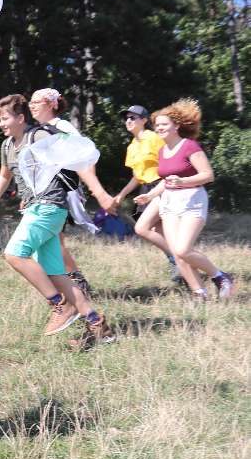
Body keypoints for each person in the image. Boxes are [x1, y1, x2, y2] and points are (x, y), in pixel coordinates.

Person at [0, 95, 115, 348]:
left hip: (49, 208)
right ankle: (98, 326)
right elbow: (4, 175)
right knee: (56, 273)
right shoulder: (7, 146)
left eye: (5, 118)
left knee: (14, 254)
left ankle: (60, 305)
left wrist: (99, 193)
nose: (1, 123)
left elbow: (79, 162)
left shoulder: (40, 137)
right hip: (35, 209)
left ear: (20, 118)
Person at [134, 100, 235, 300]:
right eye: (157, 125)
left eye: (164, 124)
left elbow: (208, 175)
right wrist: (150, 195)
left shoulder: (189, 146)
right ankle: (199, 293)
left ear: (176, 126)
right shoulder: (163, 151)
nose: (159, 128)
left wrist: (183, 180)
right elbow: (165, 180)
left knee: (183, 249)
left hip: (192, 200)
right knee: (177, 253)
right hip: (170, 202)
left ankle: (220, 276)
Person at [27, 88, 114, 297]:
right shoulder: (39, 130)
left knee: (52, 239)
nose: (32, 105)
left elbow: (83, 156)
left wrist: (98, 191)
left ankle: (74, 282)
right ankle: (73, 281)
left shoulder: (61, 126)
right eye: (30, 101)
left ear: (52, 104)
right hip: (45, 192)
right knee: (52, 239)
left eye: (37, 101)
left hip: (61, 191)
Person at [110, 105, 180, 282]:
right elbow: (136, 176)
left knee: (142, 228)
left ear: (144, 121)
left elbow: (172, 157)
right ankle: (181, 264)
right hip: (146, 189)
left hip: (162, 186)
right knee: (159, 231)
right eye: (126, 118)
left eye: (133, 117)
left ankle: (178, 260)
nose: (128, 121)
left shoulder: (154, 138)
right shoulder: (132, 147)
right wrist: (121, 194)